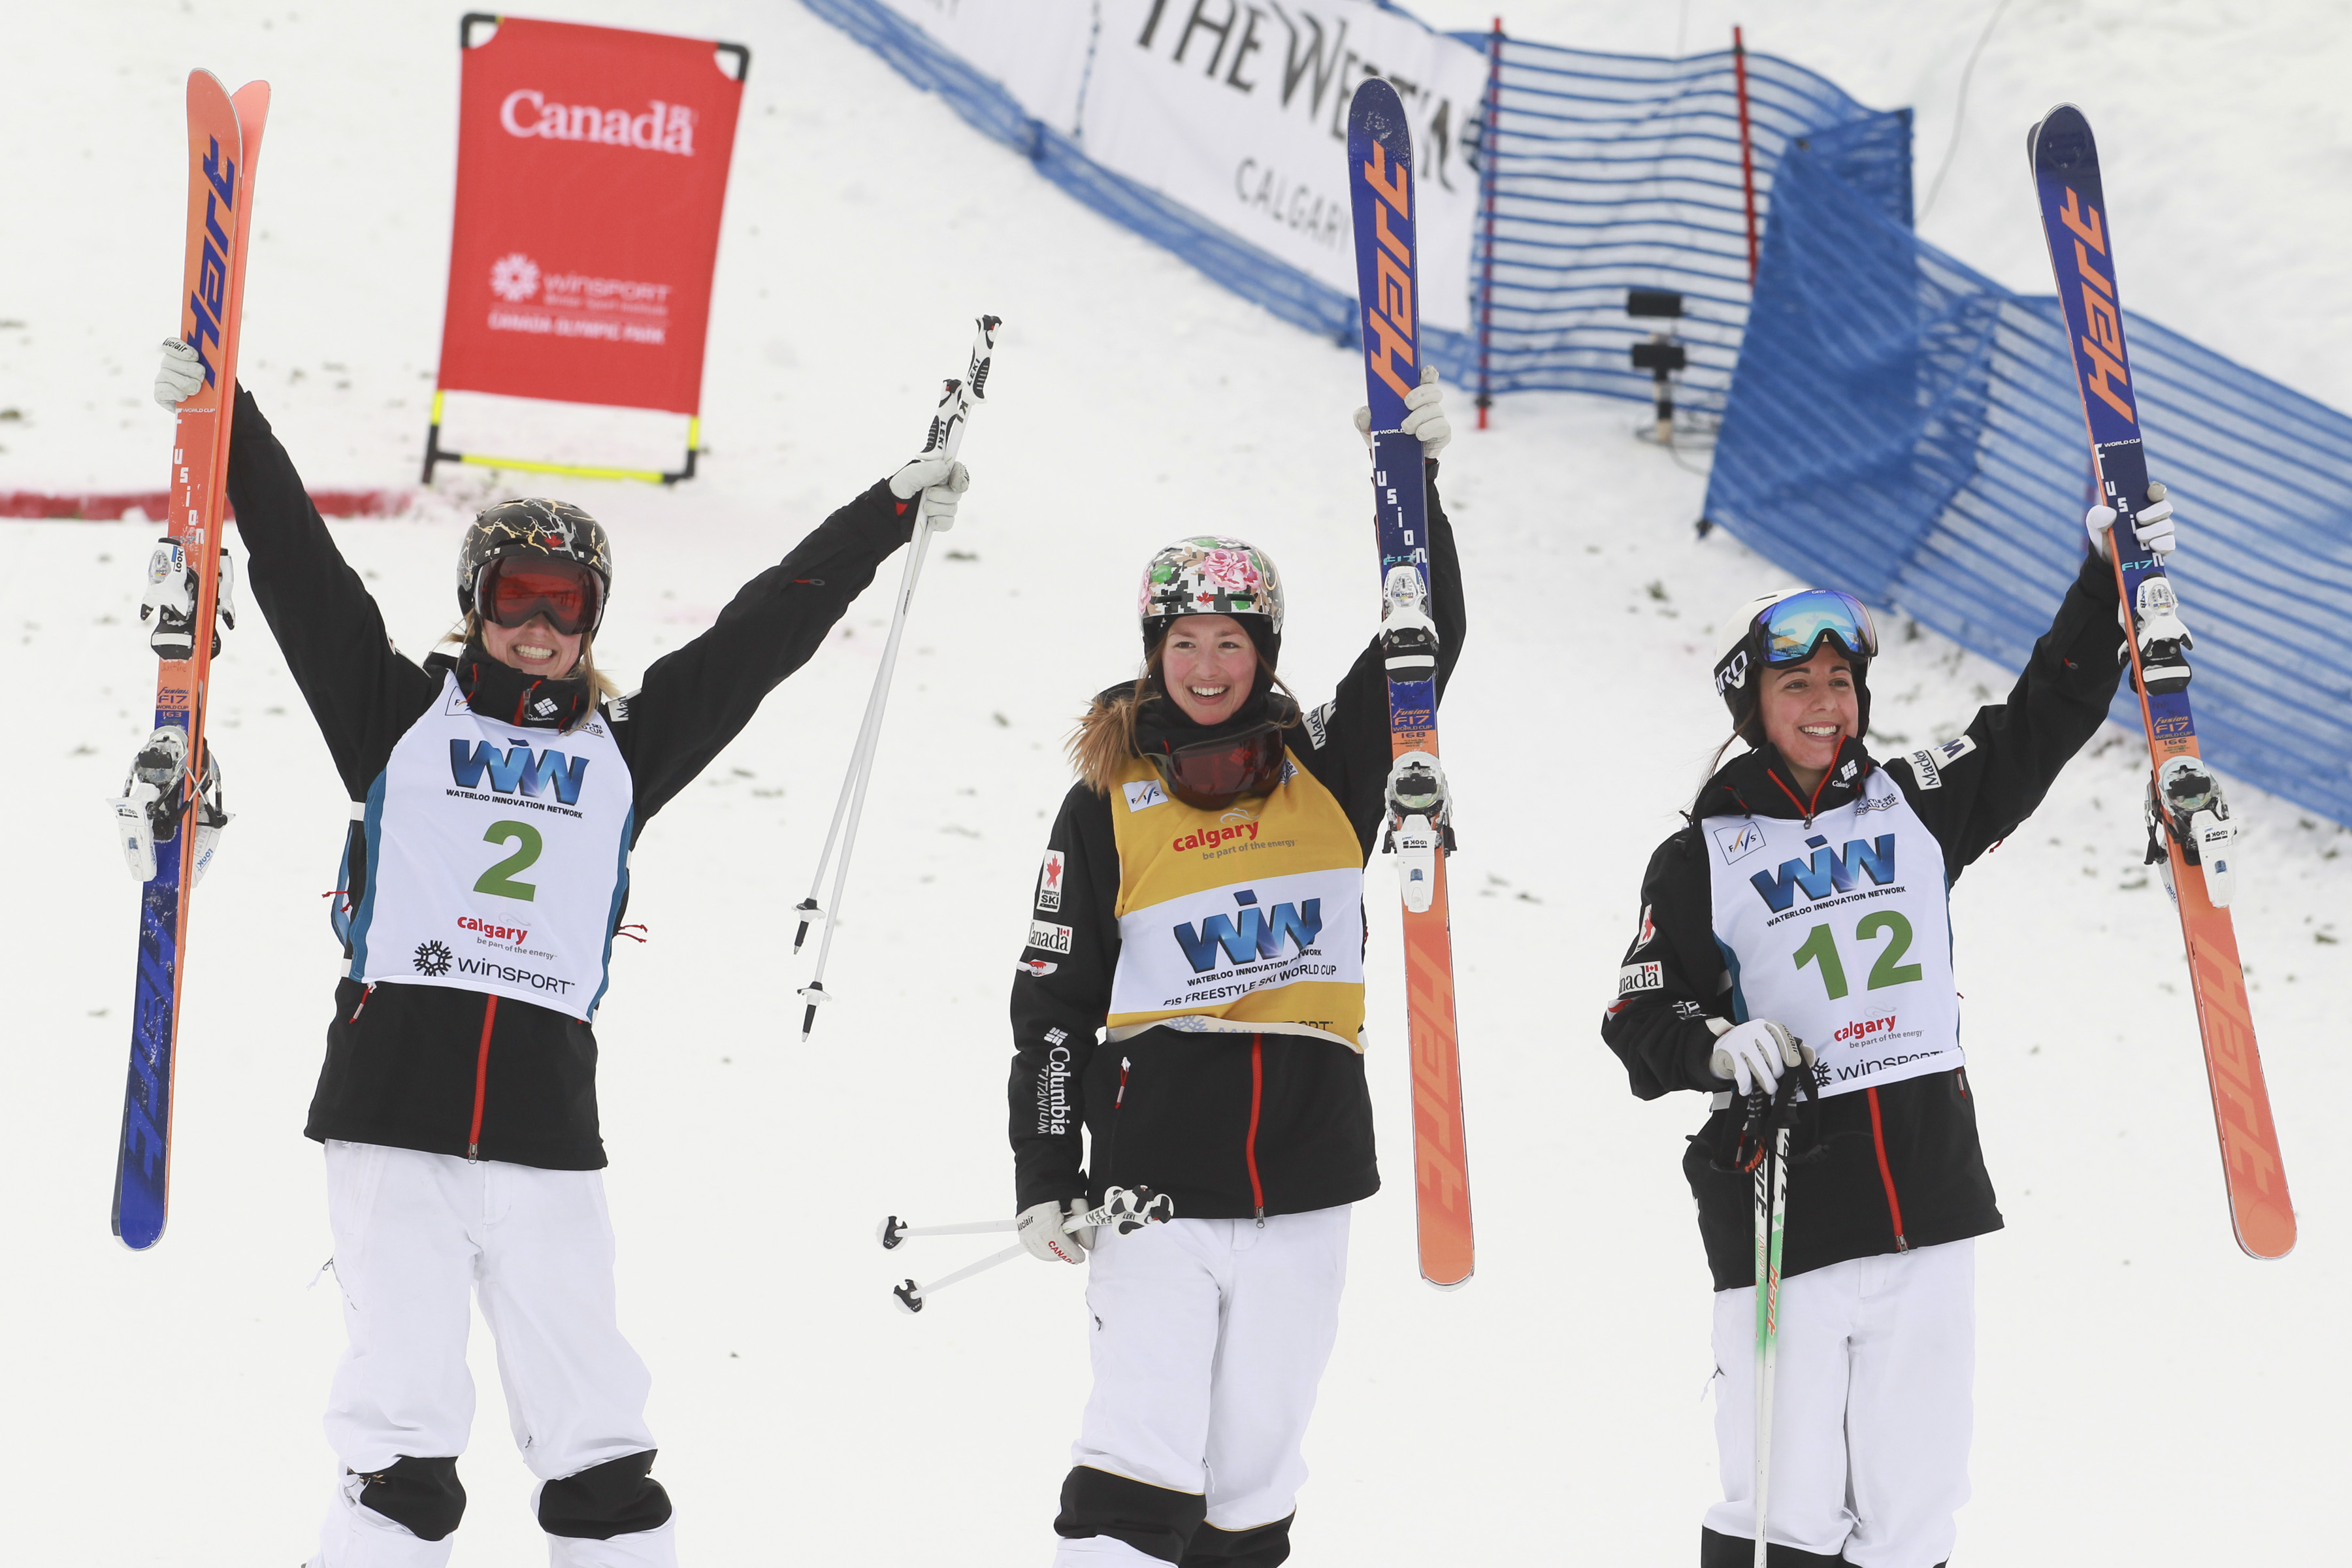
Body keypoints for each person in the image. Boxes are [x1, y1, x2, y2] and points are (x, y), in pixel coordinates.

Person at [153, 338, 970, 1568]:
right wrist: (231, 419)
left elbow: (760, 635)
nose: (539, 628)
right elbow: (304, 566)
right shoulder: (395, 721)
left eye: (567, 605)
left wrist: (884, 517)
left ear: (594, 619)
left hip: (546, 1135)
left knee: (600, 1455)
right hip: (391, 1121)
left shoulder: (627, 752)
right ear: (478, 603)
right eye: (517, 598)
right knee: (404, 1456)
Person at [1601, 492, 2180, 1568]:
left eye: (1840, 681)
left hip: (1929, 1196)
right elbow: (1638, 1015)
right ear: (1752, 702)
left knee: (1916, 1514)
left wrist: (2107, 579)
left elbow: (2041, 719)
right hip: (1786, 1207)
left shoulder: (1916, 803)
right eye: (1796, 684)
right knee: (1784, 1511)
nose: (1825, 703)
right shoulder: (1700, 856)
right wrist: (1713, 1044)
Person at [1005, 371, 1459, 1567]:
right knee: (1138, 1464)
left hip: (1308, 1184)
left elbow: (1426, 641)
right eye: (1184, 641)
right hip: (1156, 1182)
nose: (1209, 664)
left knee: (1253, 1487)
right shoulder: (1106, 798)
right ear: (1154, 653)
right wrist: (1047, 1164)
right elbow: (1051, 1002)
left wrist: (1410, 488)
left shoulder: (1336, 767)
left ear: (1265, 651)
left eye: (1232, 640)